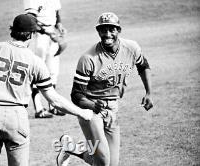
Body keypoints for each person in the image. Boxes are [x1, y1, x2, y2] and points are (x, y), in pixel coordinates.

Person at [0, 13, 93, 166]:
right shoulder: (35, 61)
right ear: (31, 35)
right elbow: (53, 100)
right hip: (17, 117)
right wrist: (82, 112)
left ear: (12, 31)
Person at [56, 12, 154, 166]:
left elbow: (143, 66)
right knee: (103, 161)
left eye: (112, 29)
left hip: (113, 108)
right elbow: (76, 95)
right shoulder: (88, 58)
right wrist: (94, 106)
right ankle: (73, 149)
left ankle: (71, 149)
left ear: (118, 30)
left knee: (110, 164)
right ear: (98, 32)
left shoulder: (131, 48)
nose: (107, 34)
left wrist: (148, 93)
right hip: (90, 110)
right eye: (103, 30)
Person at [23, 0, 67, 118]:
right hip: (38, 36)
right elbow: (30, 21)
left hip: (52, 33)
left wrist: (59, 25)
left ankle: (53, 107)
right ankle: (38, 109)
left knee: (53, 72)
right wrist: (46, 31)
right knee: (37, 72)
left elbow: (56, 13)